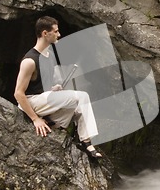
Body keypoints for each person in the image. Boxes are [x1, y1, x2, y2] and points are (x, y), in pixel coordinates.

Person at [14, 16, 102, 158]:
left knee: (75, 108)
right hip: (30, 102)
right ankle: (87, 142)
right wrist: (35, 119)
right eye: (55, 31)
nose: (59, 34)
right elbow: (18, 94)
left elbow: (42, 86)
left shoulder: (49, 56)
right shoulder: (29, 61)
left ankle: (55, 126)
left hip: (43, 100)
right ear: (44, 33)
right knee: (82, 96)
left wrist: (53, 89)